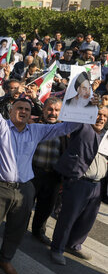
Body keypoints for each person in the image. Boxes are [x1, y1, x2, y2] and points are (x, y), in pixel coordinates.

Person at [0, 74, 81, 274]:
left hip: (24, 188)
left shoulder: (36, 131)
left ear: (30, 113)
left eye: (26, 109)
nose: (23, 111)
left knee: (17, 228)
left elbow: (67, 127)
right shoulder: (0, 126)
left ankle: (5, 259)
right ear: (12, 111)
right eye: (19, 108)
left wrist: (85, 108)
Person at [50, 106, 108, 265]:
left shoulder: (106, 137)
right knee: (68, 218)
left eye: (104, 116)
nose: (101, 118)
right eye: (98, 115)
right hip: (78, 182)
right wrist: (87, 105)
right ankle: (57, 248)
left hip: (97, 186)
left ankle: (74, 245)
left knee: (87, 220)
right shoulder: (82, 128)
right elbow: (72, 117)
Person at [30, 97, 66, 244]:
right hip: (33, 173)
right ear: (43, 110)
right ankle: (17, 229)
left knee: (46, 207)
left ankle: (39, 232)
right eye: (50, 109)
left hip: (53, 176)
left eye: (57, 110)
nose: (53, 113)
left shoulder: (65, 130)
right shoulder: (33, 125)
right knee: (25, 205)